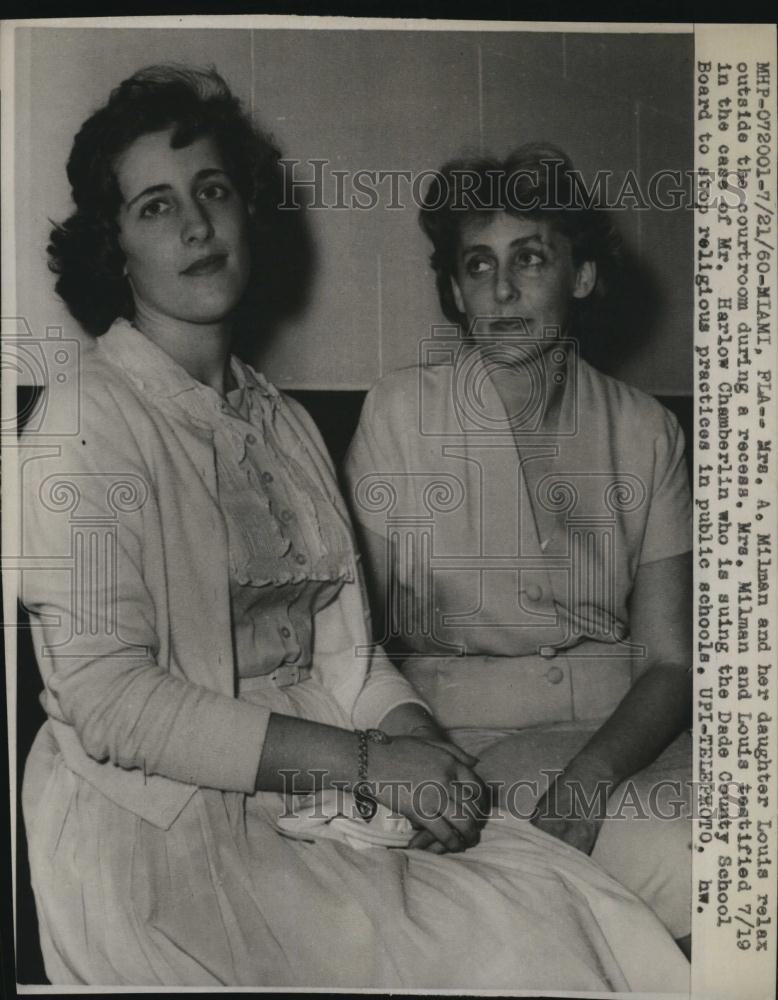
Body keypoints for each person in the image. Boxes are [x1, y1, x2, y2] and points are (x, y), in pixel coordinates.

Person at [20, 68, 690, 990]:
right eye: (154, 207)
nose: (195, 225)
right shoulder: (82, 417)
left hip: (325, 784)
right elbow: (109, 701)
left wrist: (421, 746)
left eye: (213, 191)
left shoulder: (282, 422)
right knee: (526, 954)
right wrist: (374, 761)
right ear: (115, 249)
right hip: (161, 821)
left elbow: (351, 660)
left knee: (576, 916)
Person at [343, 145, 694, 951]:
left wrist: (593, 779)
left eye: (529, 258)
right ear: (457, 292)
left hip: (626, 737)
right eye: (478, 265)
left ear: (581, 276)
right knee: (694, 854)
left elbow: (671, 663)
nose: (502, 290)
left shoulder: (645, 428)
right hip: (465, 743)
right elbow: (354, 644)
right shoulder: (399, 413)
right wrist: (421, 761)